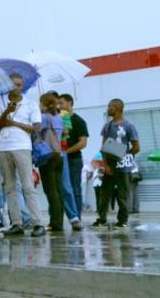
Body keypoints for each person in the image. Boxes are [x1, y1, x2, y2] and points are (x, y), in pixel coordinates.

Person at [0, 75, 46, 237]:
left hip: (22, 146)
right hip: (3, 147)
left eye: (19, 85)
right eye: (14, 84)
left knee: (28, 186)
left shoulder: (30, 103)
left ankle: (38, 223)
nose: (17, 87)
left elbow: (36, 127)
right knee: (9, 187)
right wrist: (6, 113)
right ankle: (16, 223)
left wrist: (15, 123)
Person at [93, 99, 140, 228]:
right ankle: (102, 219)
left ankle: (123, 220)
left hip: (124, 166)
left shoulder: (129, 126)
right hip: (110, 164)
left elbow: (136, 147)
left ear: (117, 108)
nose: (107, 109)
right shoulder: (107, 126)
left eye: (110, 106)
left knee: (122, 195)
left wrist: (122, 153)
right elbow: (103, 147)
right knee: (105, 194)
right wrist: (106, 165)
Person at [37, 93, 67, 232]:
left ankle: (54, 223)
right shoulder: (58, 119)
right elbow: (64, 133)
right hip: (59, 155)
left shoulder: (44, 118)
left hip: (47, 155)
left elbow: (36, 132)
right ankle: (59, 221)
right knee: (58, 190)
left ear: (43, 104)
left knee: (51, 191)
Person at [59, 94, 87, 224]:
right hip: (60, 159)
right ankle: (68, 216)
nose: (59, 106)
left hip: (74, 160)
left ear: (70, 103)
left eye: (62, 103)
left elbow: (83, 143)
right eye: (58, 103)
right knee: (63, 189)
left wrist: (66, 152)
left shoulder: (78, 121)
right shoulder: (58, 119)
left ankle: (77, 217)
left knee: (75, 188)